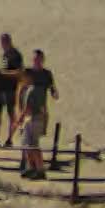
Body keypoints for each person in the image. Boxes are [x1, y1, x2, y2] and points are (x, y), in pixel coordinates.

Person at [19, 49, 59, 180]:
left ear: (42, 60)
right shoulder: (28, 72)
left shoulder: (46, 74)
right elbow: (21, 88)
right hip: (27, 109)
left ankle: (39, 169)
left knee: (33, 143)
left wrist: (54, 93)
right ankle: (31, 167)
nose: (36, 61)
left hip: (39, 110)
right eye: (34, 59)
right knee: (26, 143)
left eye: (38, 59)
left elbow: (52, 89)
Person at [0, 33, 25, 146]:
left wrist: (4, 74)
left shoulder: (16, 55)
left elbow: (20, 72)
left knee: (11, 114)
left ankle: (10, 138)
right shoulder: (5, 55)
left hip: (12, 89)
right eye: (2, 42)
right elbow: (3, 69)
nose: (3, 44)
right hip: (3, 89)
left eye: (4, 42)